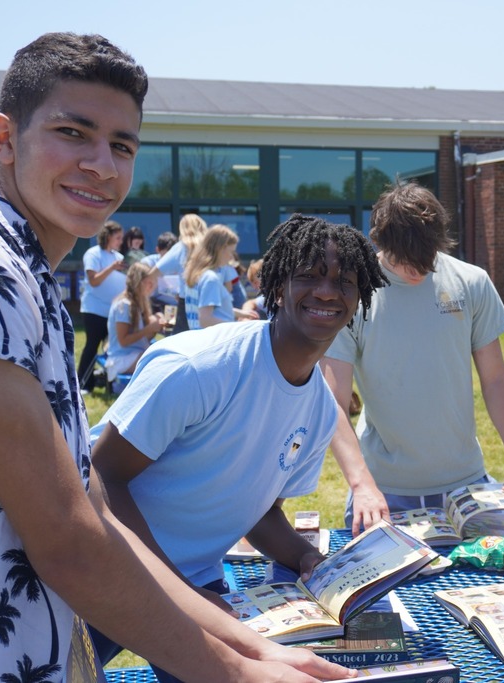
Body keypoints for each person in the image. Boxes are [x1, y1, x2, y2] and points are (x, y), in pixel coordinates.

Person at [0, 32, 354, 683]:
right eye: (74, 132)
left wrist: (250, 646)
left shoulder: (25, 275)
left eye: (122, 145)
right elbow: (70, 540)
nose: (102, 164)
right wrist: (234, 673)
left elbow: (95, 514)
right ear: (3, 138)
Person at [88, 214, 388, 682]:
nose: (327, 291)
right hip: (100, 562)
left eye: (343, 281)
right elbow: (102, 477)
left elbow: (259, 510)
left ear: (360, 296)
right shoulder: (201, 367)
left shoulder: (320, 412)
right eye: (308, 275)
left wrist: (305, 557)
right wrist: (180, 591)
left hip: (194, 577)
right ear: (276, 285)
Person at [322, 182, 504, 534]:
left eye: (427, 260)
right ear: (379, 242)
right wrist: (361, 485)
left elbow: (494, 379)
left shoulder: (472, 282)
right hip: (384, 488)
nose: (418, 272)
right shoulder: (351, 292)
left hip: (466, 481)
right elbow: (332, 402)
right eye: (405, 262)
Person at [78, 219, 126, 390]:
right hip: (94, 309)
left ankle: (109, 382)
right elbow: (94, 281)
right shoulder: (93, 254)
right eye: (118, 238)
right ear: (108, 236)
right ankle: (84, 383)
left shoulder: (119, 257)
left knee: (113, 348)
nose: (121, 241)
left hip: (114, 311)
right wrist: (112, 268)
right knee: (92, 346)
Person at [182, 224, 257, 328]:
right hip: (214, 341)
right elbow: (205, 320)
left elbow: (213, 309)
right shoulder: (210, 279)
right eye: (231, 251)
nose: (231, 257)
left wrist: (240, 313)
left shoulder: (197, 275)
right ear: (220, 249)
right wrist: (238, 327)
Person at [105, 262, 165, 385]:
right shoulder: (125, 305)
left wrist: (156, 325)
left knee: (160, 354)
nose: (152, 286)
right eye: (149, 282)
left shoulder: (139, 302)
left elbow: (143, 338)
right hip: (121, 359)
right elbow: (124, 340)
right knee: (158, 360)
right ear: (138, 282)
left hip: (133, 354)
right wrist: (148, 329)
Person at [149, 213, 208, 333]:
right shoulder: (211, 247)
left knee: (181, 343)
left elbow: (154, 272)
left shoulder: (181, 247)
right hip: (211, 299)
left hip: (188, 302)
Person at [142, 230, 179, 312]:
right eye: (167, 256)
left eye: (172, 256)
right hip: (153, 307)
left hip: (175, 308)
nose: (169, 260)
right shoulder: (147, 263)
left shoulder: (181, 264)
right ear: (157, 250)